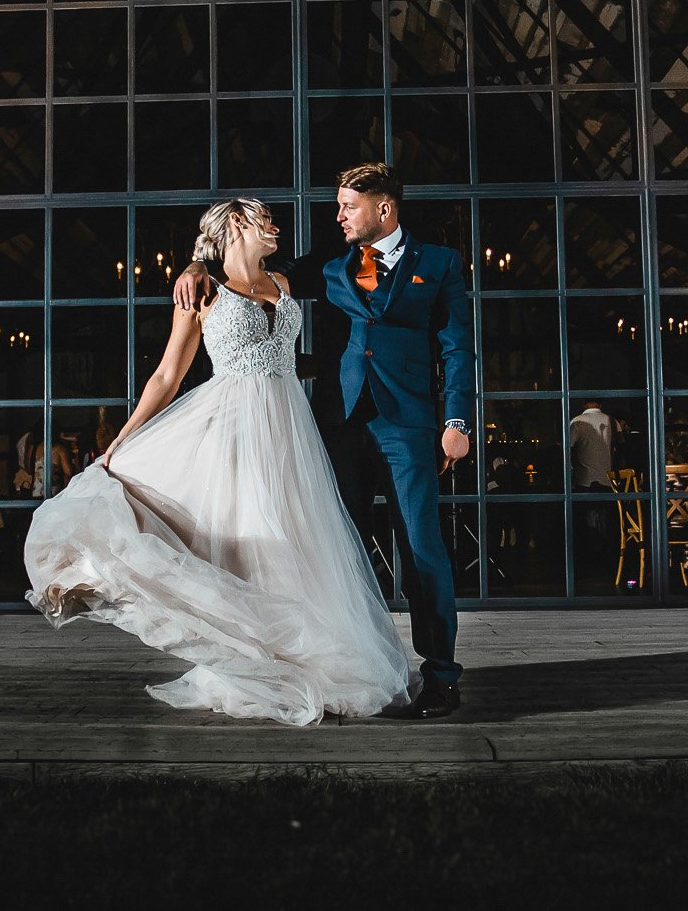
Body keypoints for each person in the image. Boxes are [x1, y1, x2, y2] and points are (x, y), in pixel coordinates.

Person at [24, 197, 415, 726]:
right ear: (236, 223)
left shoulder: (285, 283)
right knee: (248, 538)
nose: (276, 227)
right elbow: (167, 376)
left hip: (286, 431)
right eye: (266, 219)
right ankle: (246, 657)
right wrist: (120, 442)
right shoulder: (202, 293)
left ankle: (302, 664)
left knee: (295, 542)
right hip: (229, 428)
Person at [172, 161, 473, 719]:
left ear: (383, 208)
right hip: (334, 426)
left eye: (347, 207)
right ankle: (346, 668)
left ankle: (442, 676)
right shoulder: (330, 265)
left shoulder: (439, 264)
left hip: (407, 427)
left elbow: (457, 347)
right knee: (334, 552)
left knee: (423, 549)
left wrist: (457, 422)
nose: (337, 215)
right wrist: (195, 262)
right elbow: (250, 271)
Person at [570, 400, 615, 491]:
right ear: (600, 405)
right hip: (608, 479)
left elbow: (567, 447)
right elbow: (620, 446)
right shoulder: (611, 421)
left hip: (584, 479)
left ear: (583, 405)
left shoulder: (577, 421)